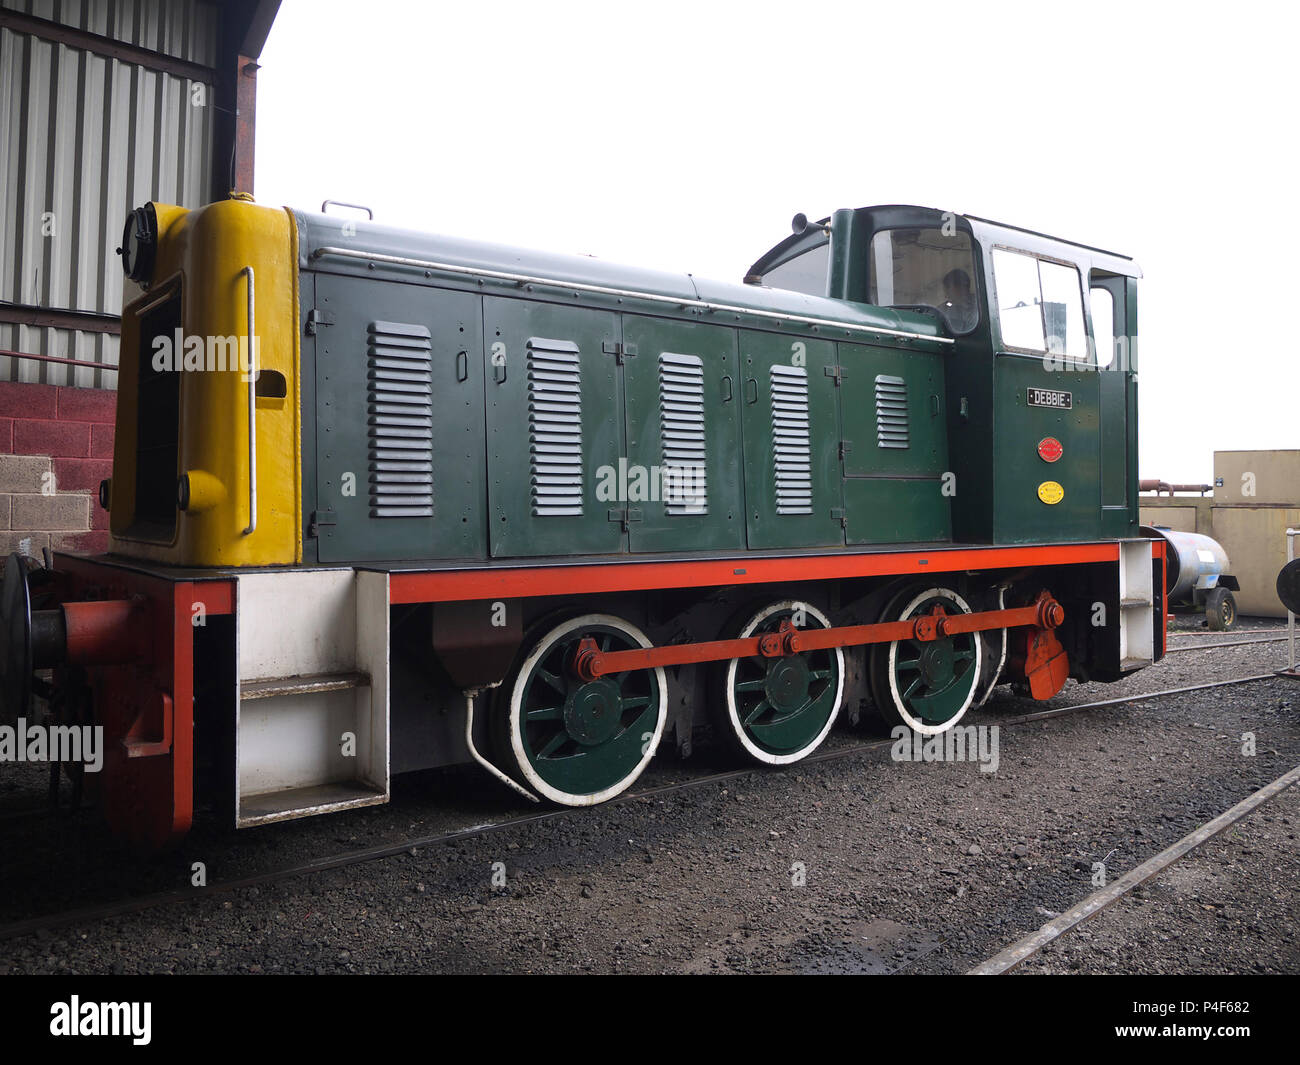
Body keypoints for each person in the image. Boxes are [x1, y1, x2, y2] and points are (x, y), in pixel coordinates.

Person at [940, 268, 977, 332]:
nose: (946, 296)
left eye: (947, 290)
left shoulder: (978, 307)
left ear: (958, 288)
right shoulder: (946, 309)